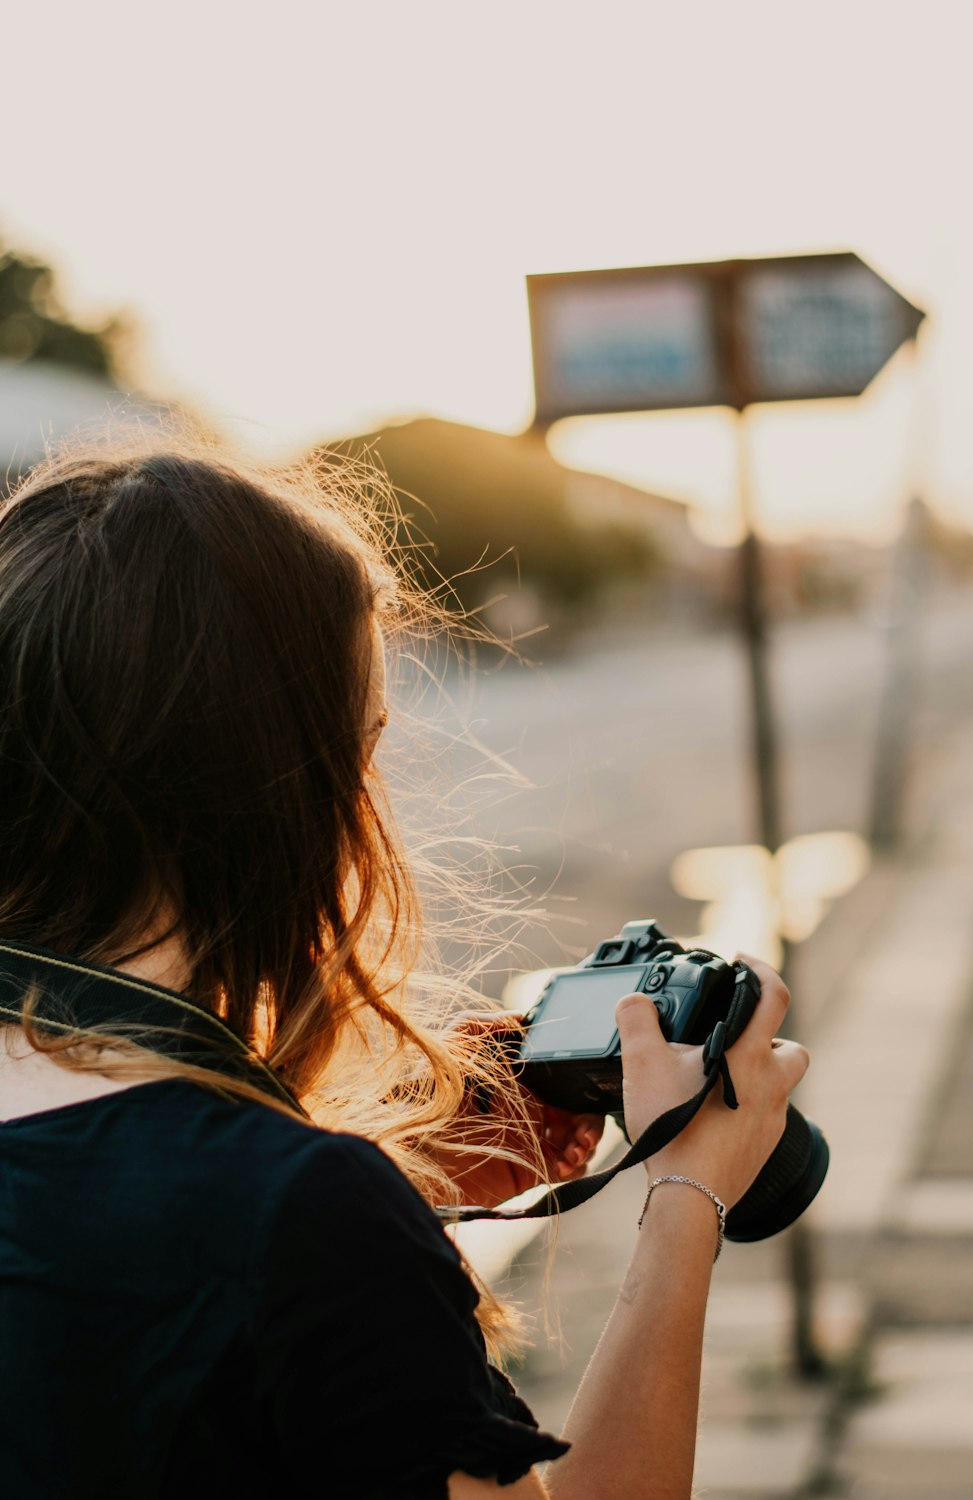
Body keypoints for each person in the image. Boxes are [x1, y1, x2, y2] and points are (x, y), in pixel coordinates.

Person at [0, 438, 809, 1499]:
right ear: (274, 792)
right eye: (360, 745)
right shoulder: (294, 1216)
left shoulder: (290, 1207)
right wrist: (689, 1195)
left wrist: (394, 1178)